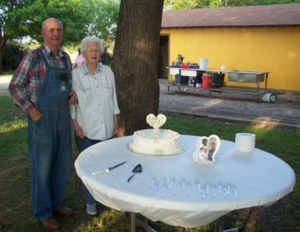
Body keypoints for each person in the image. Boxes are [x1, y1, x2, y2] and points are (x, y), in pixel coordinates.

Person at [9, 18, 77, 230]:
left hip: (63, 118)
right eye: (51, 30)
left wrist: (71, 93)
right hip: (42, 118)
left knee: (62, 165)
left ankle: (56, 204)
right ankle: (43, 212)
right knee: (42, 167)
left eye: (58, 30)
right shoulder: (34, 56)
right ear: (43, 33)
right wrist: (31, 110)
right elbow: (15, 86)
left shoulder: (66, 58)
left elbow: (66, 84)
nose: (56, 33)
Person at [69, 36, 120, 215]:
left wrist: (115, 121)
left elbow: (113, 98)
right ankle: (90, 202)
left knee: (107, 165)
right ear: (83, 53)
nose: (94, 53)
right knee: (88, 167)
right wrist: (75, 123)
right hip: (86, 129)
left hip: (106, 128)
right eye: (90, 50)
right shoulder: (75, 74)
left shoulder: (108, 72)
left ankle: (106, 198)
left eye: (97, 50)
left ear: (101, 53)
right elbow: (72, 103)